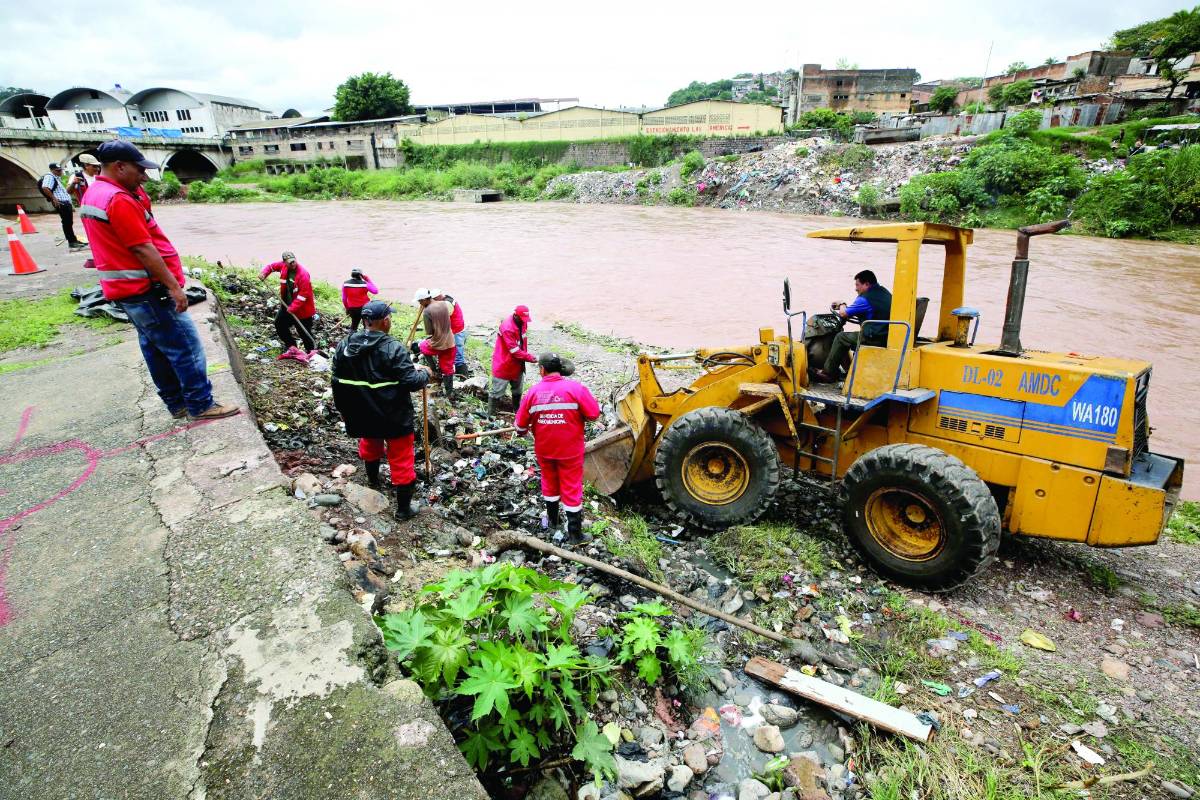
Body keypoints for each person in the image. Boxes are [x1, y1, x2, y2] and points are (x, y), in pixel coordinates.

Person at [80, 141, 238, 421]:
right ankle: (200, 404)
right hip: (147, 290)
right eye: (139, 170)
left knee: (155, 347)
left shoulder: (94, 193)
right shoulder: (118, 199)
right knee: (185, 347)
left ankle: (177, 403)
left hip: (126, 290)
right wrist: (174, 286)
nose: (144, 177)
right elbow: (143, 248)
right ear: (119, 166)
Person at [331, 301, 433, 520]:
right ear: (386, 321)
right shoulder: (393, 348)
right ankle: (403, 510)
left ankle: (373, 481)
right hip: (393, 416)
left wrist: (343, 410)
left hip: (362, 413)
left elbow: (336, 380)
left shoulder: (345, 344)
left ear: (365, 321)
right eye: (390, 318)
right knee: (401, 458)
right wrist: (426, 373)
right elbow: (412, 382)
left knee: (370, 442)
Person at [515, 352, 601, 544]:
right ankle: (575, 535)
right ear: (560, 369)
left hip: (545, 450)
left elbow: (520, 427)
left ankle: (553, 523)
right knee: (571, 488)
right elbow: (594, 414)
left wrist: (532, 426)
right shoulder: (576, 389)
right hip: (570, 451)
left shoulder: (532, 393)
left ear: (542, 370)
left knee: (549, 482)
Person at [812, 269, 892, 383]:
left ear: (866, 284)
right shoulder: (885, 293)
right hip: (885, 335)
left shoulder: (865, 299)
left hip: (873, 338)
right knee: (847, 338)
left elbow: (843, 313)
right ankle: (849, 371)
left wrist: (842, 304)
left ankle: (828, 373)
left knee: (840, 337)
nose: (856, 288)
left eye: (857, 285)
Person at [260, 251, 317, 356]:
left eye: (293, 261)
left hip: (302, 310)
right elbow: (271, 267)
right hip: (286, 305)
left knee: (304, 333)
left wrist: (292, 308)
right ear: (284, 262)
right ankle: (292, 346)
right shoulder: (282, 266)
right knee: (279, 324)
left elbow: (303, 295)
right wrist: (264, 273)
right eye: (290, 262)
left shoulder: (303, 274)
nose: (292, 264)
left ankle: (312, 353)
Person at [489, 305, 537, 416]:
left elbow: (521, 343)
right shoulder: (507, 327)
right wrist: (531, 358)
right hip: (504, 364)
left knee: (518, 390)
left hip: (517, 363)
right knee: (497, 391)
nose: (524, 321)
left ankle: (517, 411)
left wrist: (525, 356)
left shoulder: (523, 323)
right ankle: (490, 414)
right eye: (522, 319)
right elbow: (514, 351)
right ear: (515, 315)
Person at [411, 288, 456, 398]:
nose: (420, 304)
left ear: (425, 299)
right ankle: (449, 393)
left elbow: (429, 332)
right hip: (450, 341)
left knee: (422, 346)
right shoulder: (443, 304)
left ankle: (434, 370)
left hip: (438, 343)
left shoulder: (427, 311)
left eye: (420, 301)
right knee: (447, 367)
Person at [39, 162, 86, 250]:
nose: (60, 172)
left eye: (60, 170)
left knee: (68, 223)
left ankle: (73, 240)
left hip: (64, 202)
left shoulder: (56, 177)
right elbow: (45, 187)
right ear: (52, 170)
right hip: (61, 203)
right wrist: (54, 198)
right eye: (58, 170)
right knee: (67, 223)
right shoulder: (50, 176)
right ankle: (72, 242)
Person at [433, 290, 470, 376]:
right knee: (456, 353)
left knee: (458, 356)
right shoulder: (447, 300)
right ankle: (460, 373)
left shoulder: (447, 304)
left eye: (434, 300)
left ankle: (463, 375)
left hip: (457, 331)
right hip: (458, 329)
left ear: (437, 297)